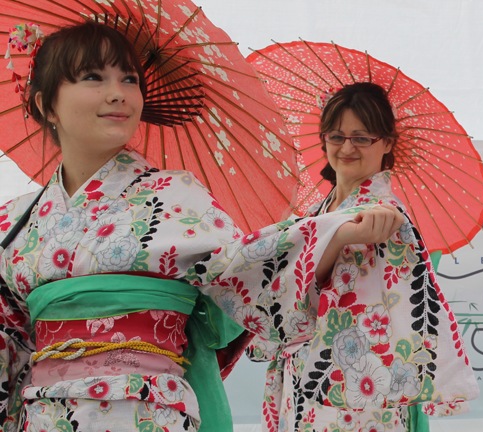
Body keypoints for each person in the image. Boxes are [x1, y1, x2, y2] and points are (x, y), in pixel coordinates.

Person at [0, 24, 405, 432]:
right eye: (93, 77)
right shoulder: (13, 223)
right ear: (45, 104)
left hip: (148, 413)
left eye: (129, 79)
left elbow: (248, 269)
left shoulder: (177, 197)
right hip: (44, 417)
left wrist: (333, 236)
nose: (119, 92)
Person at [246, 83, 480, 432]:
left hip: (355, 384)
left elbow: (381, 308)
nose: (346, 147)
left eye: (361, 137)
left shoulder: (386, 216)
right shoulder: (316, 213)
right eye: (337, 136)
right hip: (300, 378)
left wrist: (335, 238)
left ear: (387, 143)